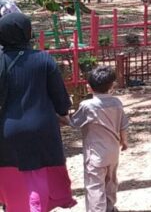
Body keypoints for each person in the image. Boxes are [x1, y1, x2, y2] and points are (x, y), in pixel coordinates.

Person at [0, 13, 77, 211]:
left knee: (12, 175)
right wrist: (62, 113)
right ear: (26, 32)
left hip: (6, 129)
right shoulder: (44, 60)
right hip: (41, 128)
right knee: (36, 175)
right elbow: (60, 97)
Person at [68, 66, 129, 212]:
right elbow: (123, 126)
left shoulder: (87, 106)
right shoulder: (116, 103)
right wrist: (124, 142)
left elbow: (73, 123)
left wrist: (59, 117)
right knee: (110, 181)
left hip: (95, 153)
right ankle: (110, 207)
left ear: (89, 87)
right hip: (113, 151)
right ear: (112, 86)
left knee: (94, 185)